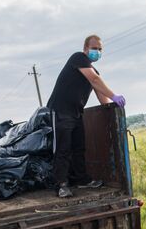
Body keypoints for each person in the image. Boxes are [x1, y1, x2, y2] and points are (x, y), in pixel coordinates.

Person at [47, 34, 126, 198]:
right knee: (63, 149)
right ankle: (61, 185)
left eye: (100, 49)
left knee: (79, 147)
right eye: (94, 48)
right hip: (61, 110)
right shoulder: (78, 58)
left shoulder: (92, 69)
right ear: (85, 49)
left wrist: (109, 109)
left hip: (76, 112)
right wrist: (114, 96)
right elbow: (95, 80)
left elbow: (99, 92)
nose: (97, 51)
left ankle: (81, 179)